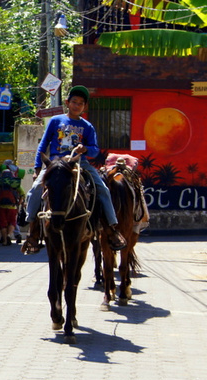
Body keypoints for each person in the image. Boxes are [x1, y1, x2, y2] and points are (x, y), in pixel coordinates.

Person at [21, 85, 127, 254]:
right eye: (74, 102)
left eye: (81, 103)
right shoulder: (56, 121)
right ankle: (32, 229)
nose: (77, 106)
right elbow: (43, 144)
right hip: (55, 163)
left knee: (103, 189)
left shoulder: (87, 126)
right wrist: (37, 167)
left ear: (85, 107)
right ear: (67, 103)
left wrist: (84, 149)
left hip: (79, 163)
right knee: (35, 189)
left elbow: (95, 150)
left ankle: (111, 228)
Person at [0, 160, 25, 246]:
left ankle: (5, 239)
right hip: (12, 206)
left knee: (2, 223)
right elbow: (22, 194)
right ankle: (9, 235)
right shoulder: (14, 183)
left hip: (0, 206)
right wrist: (19, 203)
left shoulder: (0, 182)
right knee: (12, 222)